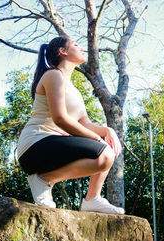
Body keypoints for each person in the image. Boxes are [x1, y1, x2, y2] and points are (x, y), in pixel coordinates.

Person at [17, 36, 124, 214]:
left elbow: (85, 124)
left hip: (53, 146)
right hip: (35, 145)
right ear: (63, 51)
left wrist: (108, 131)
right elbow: (60, 118)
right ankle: (44, 179)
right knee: (104, 151)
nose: (81, 48)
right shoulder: (53, 75)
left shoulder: (73, 89)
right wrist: (98, 139)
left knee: (106, 152)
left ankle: (92, 200)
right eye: (75, 45)